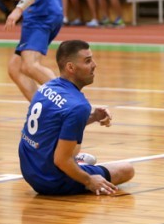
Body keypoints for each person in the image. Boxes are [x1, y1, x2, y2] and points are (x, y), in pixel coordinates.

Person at [18, 40, 135, 196]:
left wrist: (93, 117)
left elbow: (58, 125)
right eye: (88, 61)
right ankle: (77, 163)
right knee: (127, 169)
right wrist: (89, 180)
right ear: (71, 67)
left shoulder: (47, 87)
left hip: (29, 169)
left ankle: (77, 161)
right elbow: (61, 160)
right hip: (52, 180)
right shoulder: (79, 106)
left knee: (69, 141)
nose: (94, 65)